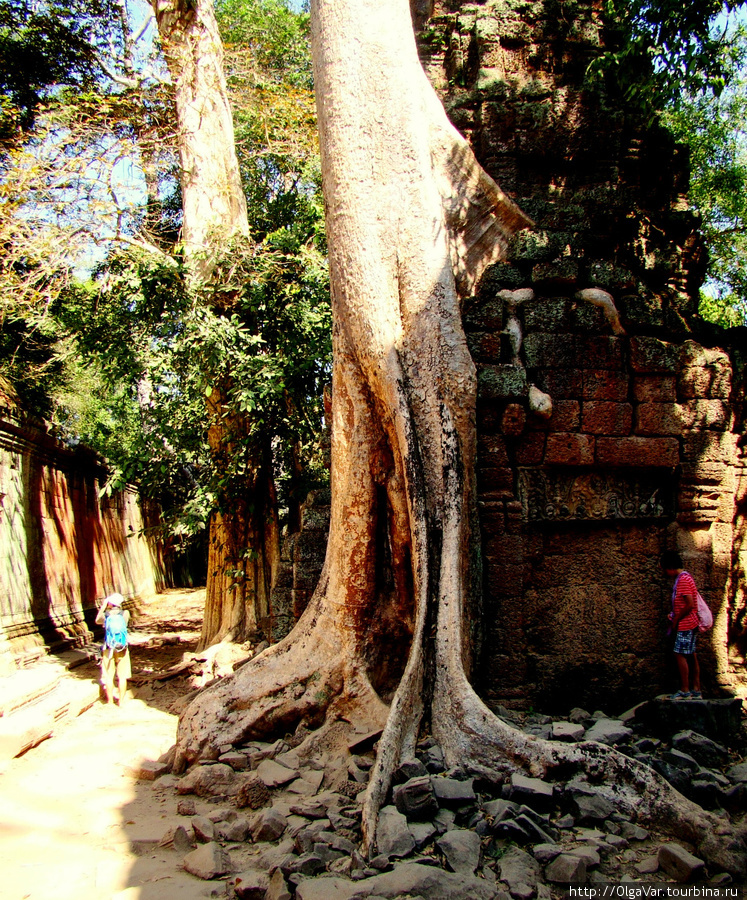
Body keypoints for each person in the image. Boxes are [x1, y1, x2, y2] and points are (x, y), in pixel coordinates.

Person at [661, 550, 702, 700]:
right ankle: (696, 689)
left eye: (665, 569)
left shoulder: (683, 580)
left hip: (686, 624)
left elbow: (689, 604)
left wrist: (677, 618)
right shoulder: (686, 578)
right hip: (690, 622)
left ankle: (685, 689)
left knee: (680, 655)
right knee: (691, 655)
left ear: (670, 566)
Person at [95, 592, 131, 705]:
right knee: (122, 677)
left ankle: (110, 702)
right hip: (122, 648)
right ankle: (121, 701)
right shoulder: (125, 613)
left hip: (108, 647)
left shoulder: (106, 615)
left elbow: (97, 620)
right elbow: (125, 624)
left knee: (109, 676)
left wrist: (103, 607)